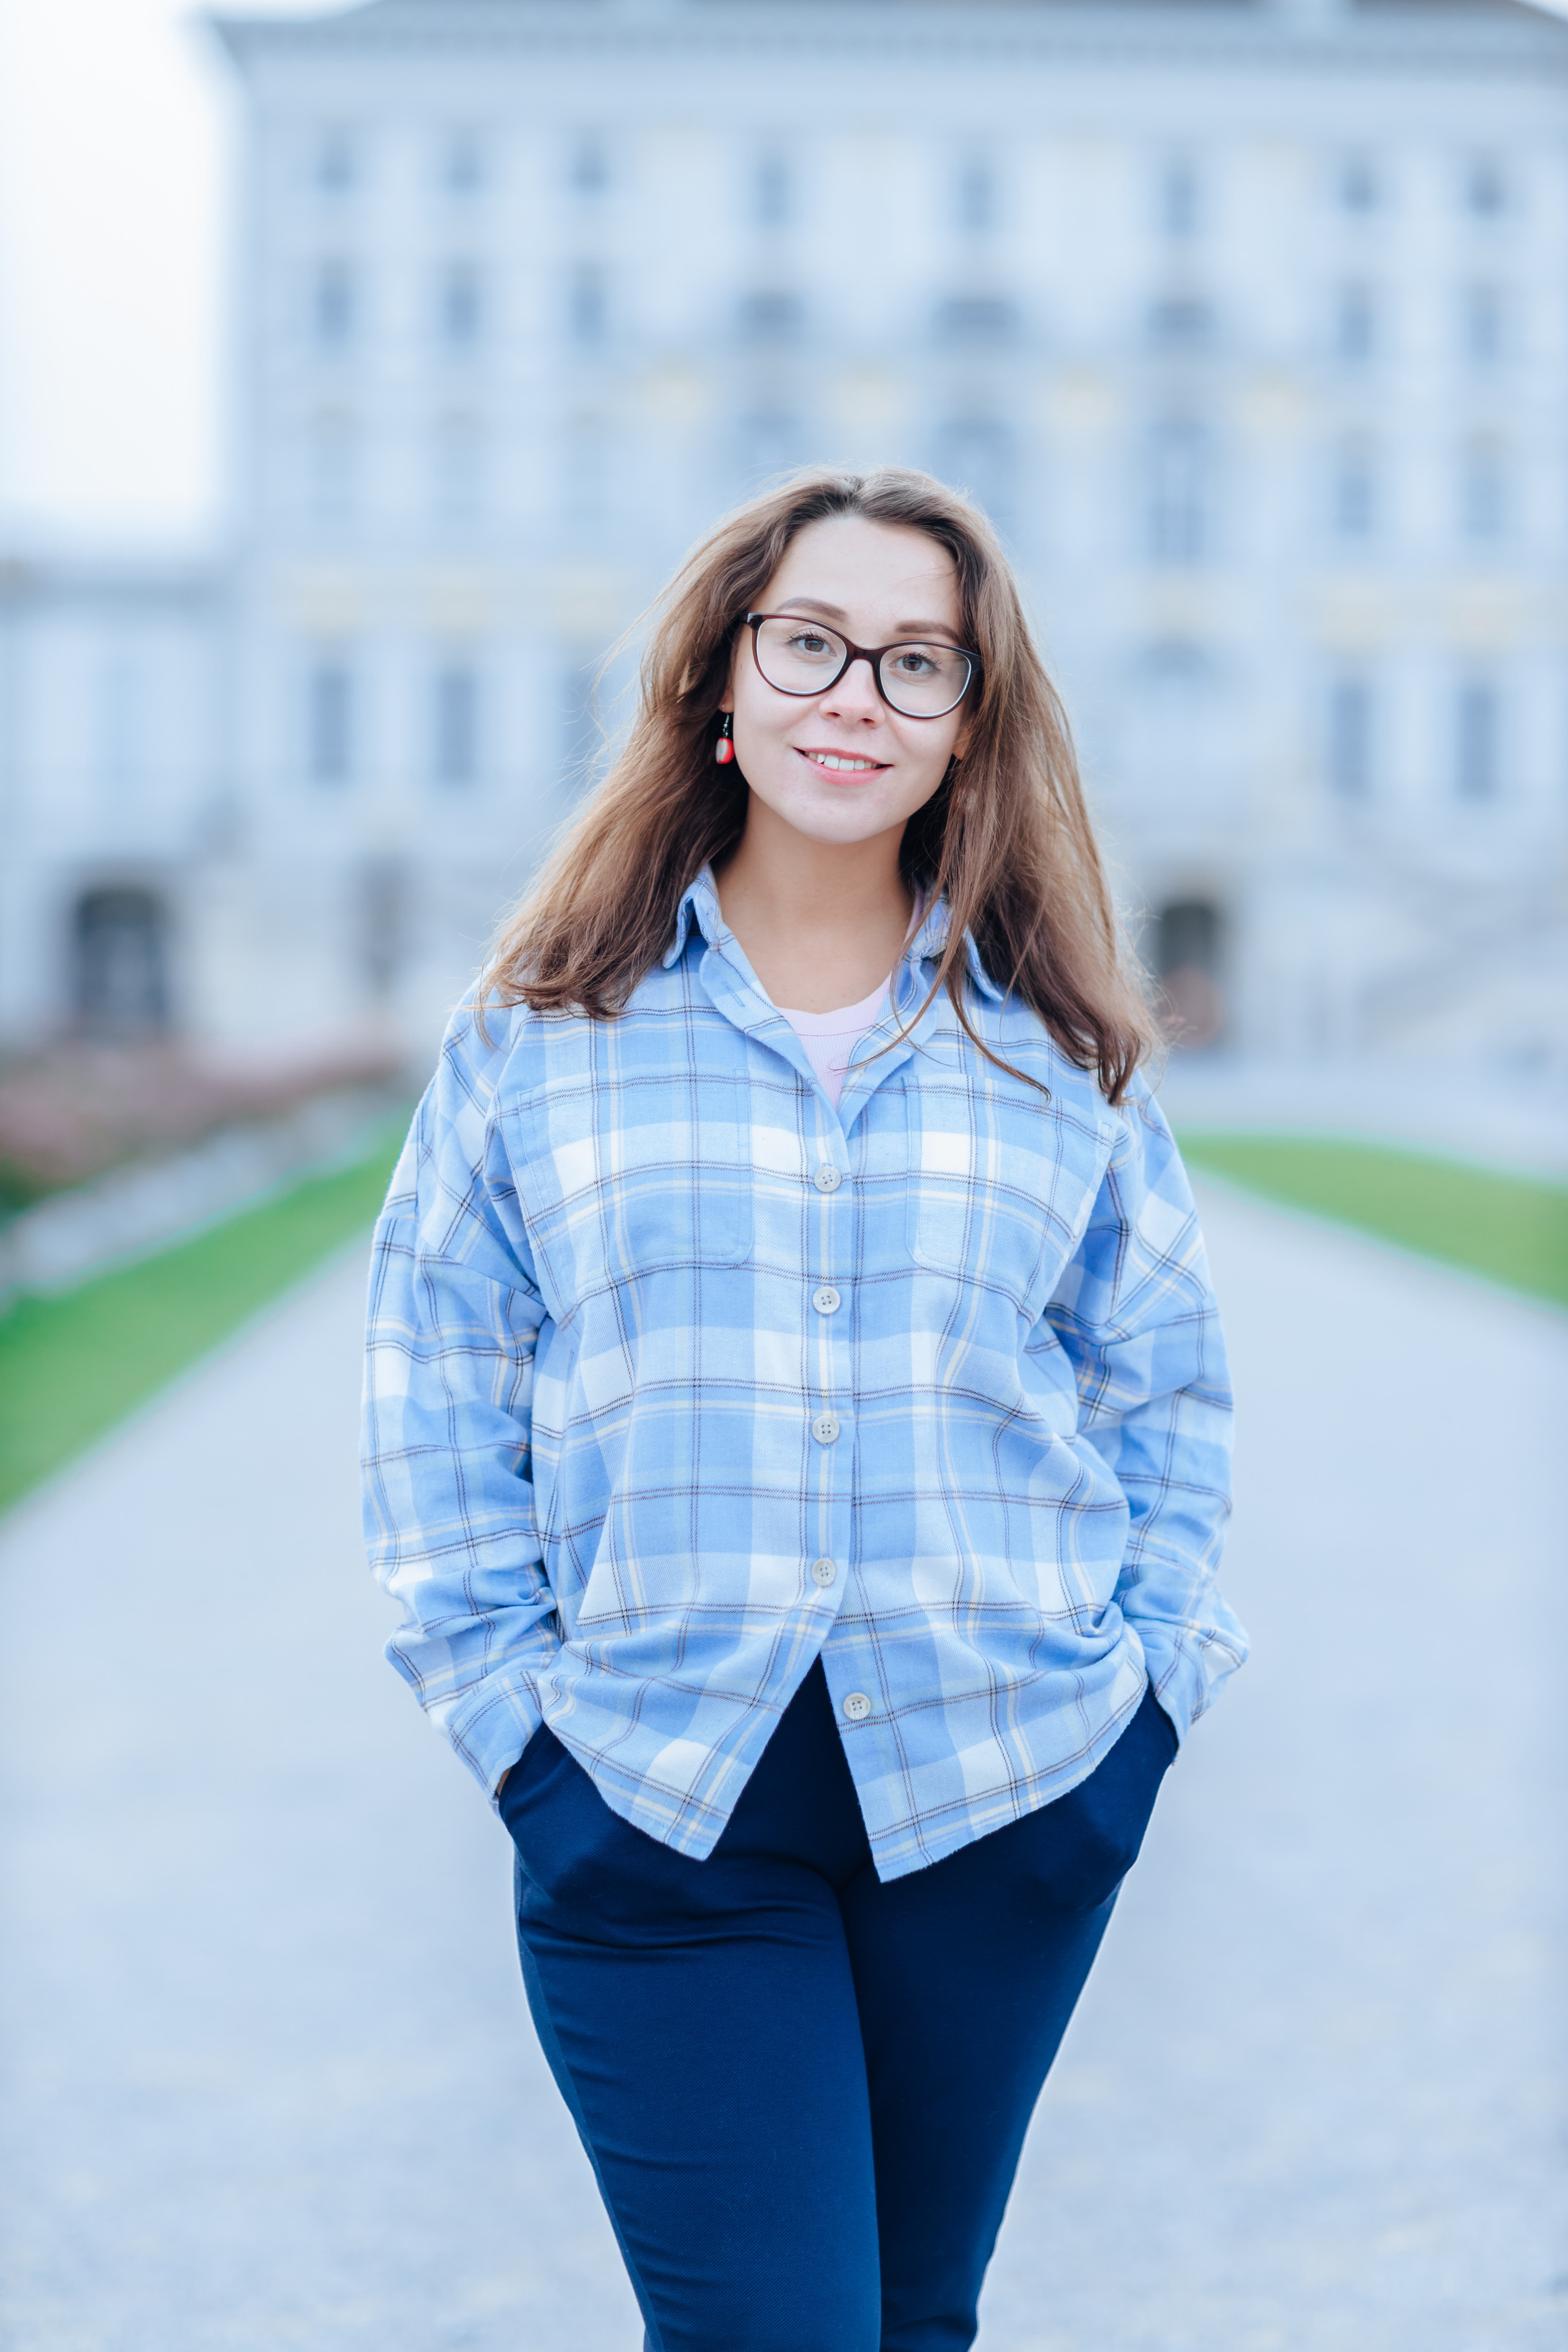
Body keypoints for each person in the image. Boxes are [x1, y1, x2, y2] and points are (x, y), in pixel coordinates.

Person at [361, 466, 1248, 2352]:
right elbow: (435, 1377)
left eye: (918, 663)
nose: (859, 696)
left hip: (1002, 1795)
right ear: (721, 682)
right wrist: (519, 1739)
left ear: (970, 724)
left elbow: (1166, 1387)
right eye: (814, 643)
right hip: (656, 1808)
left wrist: (1145, 1714)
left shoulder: (1056, 1043)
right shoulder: (543, 1028)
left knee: (913, 2325)